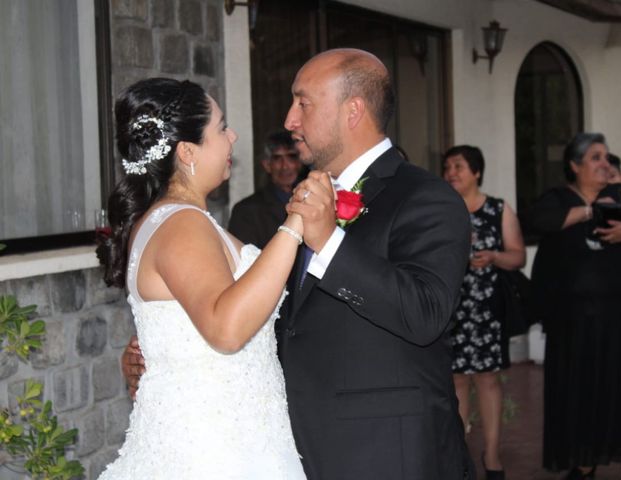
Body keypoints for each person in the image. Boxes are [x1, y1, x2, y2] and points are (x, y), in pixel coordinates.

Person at [123, 48, 475, 479]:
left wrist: (328, 240)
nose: (289, 120)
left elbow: (425, 313)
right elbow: (270, 312)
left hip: (388, 451)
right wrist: (169, 351)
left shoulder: (425, 198)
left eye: (303, 102)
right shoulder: (296, 205)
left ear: (353, 111)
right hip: (289, 445)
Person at [96, 78, 306, 479]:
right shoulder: (181, 223)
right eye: (221, 127)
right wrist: (295, 223)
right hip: (214, 449)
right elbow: (225, 329)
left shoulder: (181, 220)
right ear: (188, 151)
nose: (233, 136)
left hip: (236, 437)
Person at [528, 132, 621, 480]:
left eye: (607, 157)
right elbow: (536, 222)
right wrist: (592, 209)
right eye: (595, 157)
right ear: (574, 166)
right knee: (581, 391)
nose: (604, 163)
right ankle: (584, 459)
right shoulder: (558, 199)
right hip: (574, 321)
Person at [442, 145, 526, 480]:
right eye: (447, 167)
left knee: (488, 380)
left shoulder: (497, 209)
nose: (451, 173)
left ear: (476, 172)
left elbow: (518, 256)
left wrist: (493, 256)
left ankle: (492, 455)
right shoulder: (443, 208)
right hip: (451, 309)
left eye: (458, 166)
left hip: (487, 309)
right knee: (456, 381)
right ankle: (460, 456)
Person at [228, 130, 303, 248]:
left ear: (299, 162)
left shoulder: (312, 198)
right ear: (267, 165)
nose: (285, 166)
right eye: (277, 158)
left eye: (291, 157)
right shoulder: (246, 211)